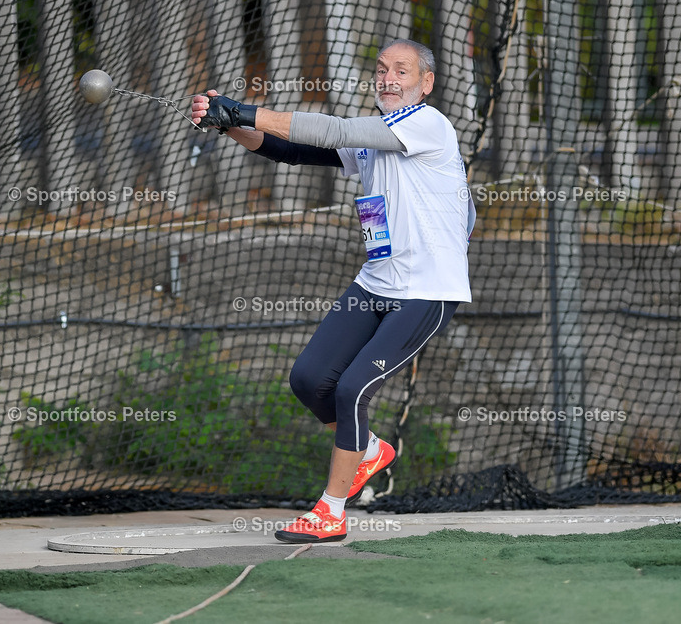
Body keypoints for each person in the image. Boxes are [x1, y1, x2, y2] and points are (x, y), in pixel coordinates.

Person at [191, 39, 475, 543]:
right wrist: (230, 123)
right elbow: (294, 151)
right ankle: (368, 452)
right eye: (382, 69)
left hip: (426, 290)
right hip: (375, 283)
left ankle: (331, 510)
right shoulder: (376, 135)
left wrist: (248, 109)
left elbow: (334, 128)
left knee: (352, 389)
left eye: (401, 71)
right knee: (309, 379)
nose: (388, 78)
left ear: (425, 83)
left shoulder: (427, 124)